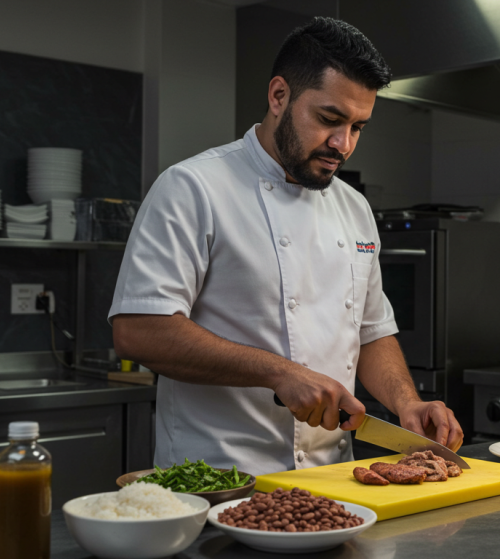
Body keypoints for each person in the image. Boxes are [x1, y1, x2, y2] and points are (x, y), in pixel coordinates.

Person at [108, 17, 463, 475]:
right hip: (218, 478)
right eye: (330, 119)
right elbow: (138, 329)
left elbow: (371, 331)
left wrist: (406, 403)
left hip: (332, 482)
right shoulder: (192, 188)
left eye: (358, 127)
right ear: (279, 96)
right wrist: (279, 372)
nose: (344, 144)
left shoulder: (354, 208)